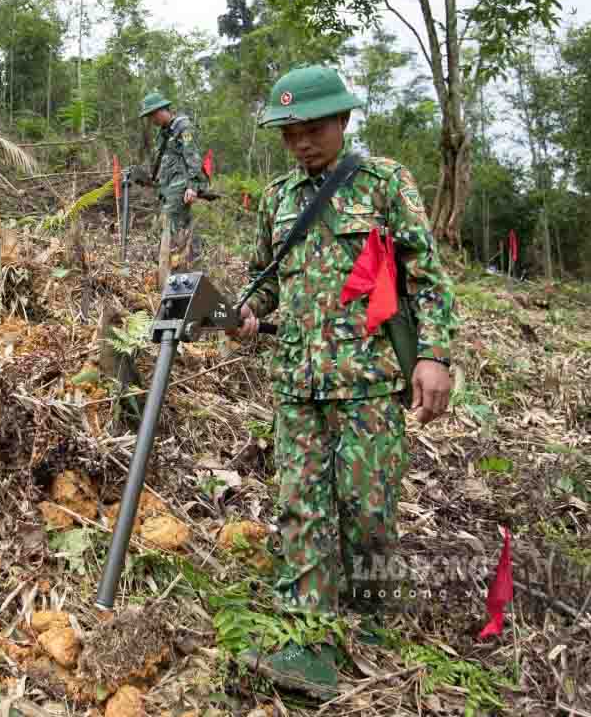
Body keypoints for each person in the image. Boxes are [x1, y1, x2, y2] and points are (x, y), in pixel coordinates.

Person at [230, 66, 457, 697]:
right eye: (289, 133)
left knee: (367, 507)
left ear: (344, 122)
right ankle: (309, 633)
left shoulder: (383, 182)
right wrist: (250, 310)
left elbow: (426, 276)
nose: (301, 142)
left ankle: (374, 618)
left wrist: (432, 356)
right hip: (298, 382)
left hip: (368, 382)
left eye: (313, 129)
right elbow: (265, 278)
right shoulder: (278, 199)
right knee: (300, 505)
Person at [133, 91, 211, 263]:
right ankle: (195, 259)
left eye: (152, 115)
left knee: (169, 223)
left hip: (182, 185)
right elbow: (163, 159)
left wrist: (192, 186)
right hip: (168, 186)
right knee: (182, 224)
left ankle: (170, 264)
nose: (151, 120)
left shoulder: (183, 127)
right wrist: (150, 178)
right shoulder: (163, 132)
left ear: (161, 110)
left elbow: (193, 158)